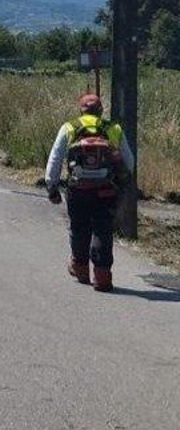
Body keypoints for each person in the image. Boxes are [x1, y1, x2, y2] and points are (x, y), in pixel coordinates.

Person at [44, 93, 134, 292]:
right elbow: (129, 162)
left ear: (81, 110)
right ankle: (102, 277)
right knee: (103, 230)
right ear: (101, 110)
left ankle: (80, 268)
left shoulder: (69, 127)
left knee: (79, 228)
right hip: (106, 191)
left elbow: (55, 159)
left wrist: (52, 186)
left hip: (77, 190)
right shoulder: (113, 128)